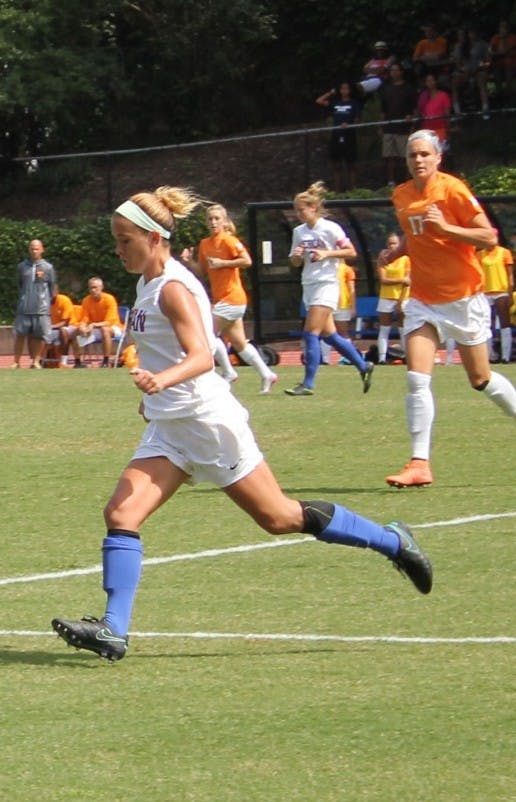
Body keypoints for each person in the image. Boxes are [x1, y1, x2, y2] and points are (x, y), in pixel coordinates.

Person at [50, 186, 433, 662]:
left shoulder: (172, 287)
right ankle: (113, 629)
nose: (118, 248)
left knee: (278, 518)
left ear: (154, 237)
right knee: (121, 515)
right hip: (172, 426)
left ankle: (392, 540)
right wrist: (156, 400)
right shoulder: (148, 284)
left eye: (125, 239)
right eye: (117, 239)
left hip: (209, 423)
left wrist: (161, 381)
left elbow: (201, 359)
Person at [379, 129, 516, 488]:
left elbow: (488, 237)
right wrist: (398, 250)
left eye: (424, 154)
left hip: (463, 297)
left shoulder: (453, 190)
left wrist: (446, 226)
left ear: (438, 158)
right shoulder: (401, 194)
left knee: (480, 379)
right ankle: (420, 463)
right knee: (417, 378)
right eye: (412, 155)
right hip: (422, 299)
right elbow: (416, 233)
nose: (418, 160)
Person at [285, 181, 373, 396]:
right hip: (309, 285)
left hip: (327, 284)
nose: (298, 214)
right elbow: (296, 262)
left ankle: (308, 384)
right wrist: (296, 257)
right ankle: (364, 366)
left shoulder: (330, 228)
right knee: (330, 336)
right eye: (296, 210)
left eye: (301, 209)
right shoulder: (299, 231)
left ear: (313, 208)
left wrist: (327, 253)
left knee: (310, 332)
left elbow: (351, 252)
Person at [180, 203, 278, 393]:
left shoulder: (229, 241)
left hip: (233, 298)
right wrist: (189, 261)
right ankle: (267, 374)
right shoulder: (205, 244)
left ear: (224, 221)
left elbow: (247, 261)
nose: (213, 222)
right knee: (240, 343)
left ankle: (228, 372)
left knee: (206, 333)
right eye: (210, 219)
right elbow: (202, 271)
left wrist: (223, 263)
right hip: (221, 300)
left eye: (217, 219)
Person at [12, 239, 56, 369]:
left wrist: (47, 302)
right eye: (32, 248)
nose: (34, 251)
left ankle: (35, 361)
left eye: (37, 248)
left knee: (39, 335)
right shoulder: (22, 266)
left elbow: (51, 286)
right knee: (20, 334)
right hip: (24, 307)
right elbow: (20, 284)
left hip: (41, 307)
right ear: (28, 250)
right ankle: (16, 361)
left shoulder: (48, 267)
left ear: (42, 250)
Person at [378, 63, 419, 185]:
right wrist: (380, 126)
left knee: (405, 156)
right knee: (389, 156)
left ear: (401, 72)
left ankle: (408, 181)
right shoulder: (386, 89)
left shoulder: (409, 89)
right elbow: (383, 110)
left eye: (396, 70)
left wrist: (412, 123)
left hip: (403, 128)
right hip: (389, 127)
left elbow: (415, 110)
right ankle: (391, 182)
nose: (394, 73)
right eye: (392, 71)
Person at [315, 82, 360, 192]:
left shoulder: (354, 103)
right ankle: (337, 190)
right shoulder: (335, 102)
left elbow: (358, 119)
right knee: (336, 164)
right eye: (342, 88)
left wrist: (349, 125)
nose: (344, 91)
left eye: (346, 88)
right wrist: (330, 93)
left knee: (351, 164)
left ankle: (352, 189)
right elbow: (319, 101)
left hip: (349, 135)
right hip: (336, 135)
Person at [376, 233, 411, 364]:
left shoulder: (405, 259)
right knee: (384, 328)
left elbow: (409, 282)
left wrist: (400, 301)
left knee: (403, 327)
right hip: (386, 296)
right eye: (389, 243)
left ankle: (406, 356)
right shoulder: (383, 258)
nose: (392, 246)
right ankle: (381, 358)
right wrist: (401, 279)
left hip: (402, 297)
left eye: (395, 243)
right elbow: (383, 279)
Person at [478, 241, 515, 363]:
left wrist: (510, 293)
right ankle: (489, 355)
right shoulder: (480, 254)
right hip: (485, 292)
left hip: (501, 291)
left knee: (505, 323)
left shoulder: (504, 252)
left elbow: (510, 274)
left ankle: (506, 356)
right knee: (486, 325)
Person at [75, 276, 123, 368]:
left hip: (114, 327)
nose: (93, 290)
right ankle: (78, 362)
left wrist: (93, 324)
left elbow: (109, 321)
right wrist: (82, 326)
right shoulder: (86, 300)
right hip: (96, 328)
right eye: (90, 288)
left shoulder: (109, 299)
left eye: (95, 287)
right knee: (77, 331)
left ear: (101, 287)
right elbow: (84, 319)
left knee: (105, 330)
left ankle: (106, 361)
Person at [450, 27, 490, 118]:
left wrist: (481, 66)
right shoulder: (460, 46)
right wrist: (462, 70)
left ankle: (485, 109)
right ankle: (457, 112)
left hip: (479, 71)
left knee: (481, 81)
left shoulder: (482, 45)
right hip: (465, 73)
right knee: (454, 83)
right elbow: (457, 63)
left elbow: (488, 61)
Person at [416, 72, 452, 151]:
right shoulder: (423, 96)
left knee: (441, 153)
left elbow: (447, 113)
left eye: (432, 80)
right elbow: (419, 112)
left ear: (436, 81)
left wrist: (448, 128)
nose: (430, 83)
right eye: (428, 81)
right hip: (426, 130)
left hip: (440, 129)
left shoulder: (443, 95)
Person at [489, 20, 516, 100]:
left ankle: (509, 93)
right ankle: (499, 93)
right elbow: (490, 51)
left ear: (508, 29)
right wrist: (495, 53)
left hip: (514, 64)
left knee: (508, 66)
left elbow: (505, 51)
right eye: (501, 27)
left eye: (504, 27)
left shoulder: (514, 38)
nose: (502, 29)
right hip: (500, 65)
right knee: (496, 69)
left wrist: (498, 52)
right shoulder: (495, 38)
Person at [48, 289, 79, 367]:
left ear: (57, 292)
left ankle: (64, 361)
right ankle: (38, 361)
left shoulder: (64, 300)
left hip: (70, 326)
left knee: (63, 331)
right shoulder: (44, 302)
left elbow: (65, 323)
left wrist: (51, 326)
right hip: (53, 328)